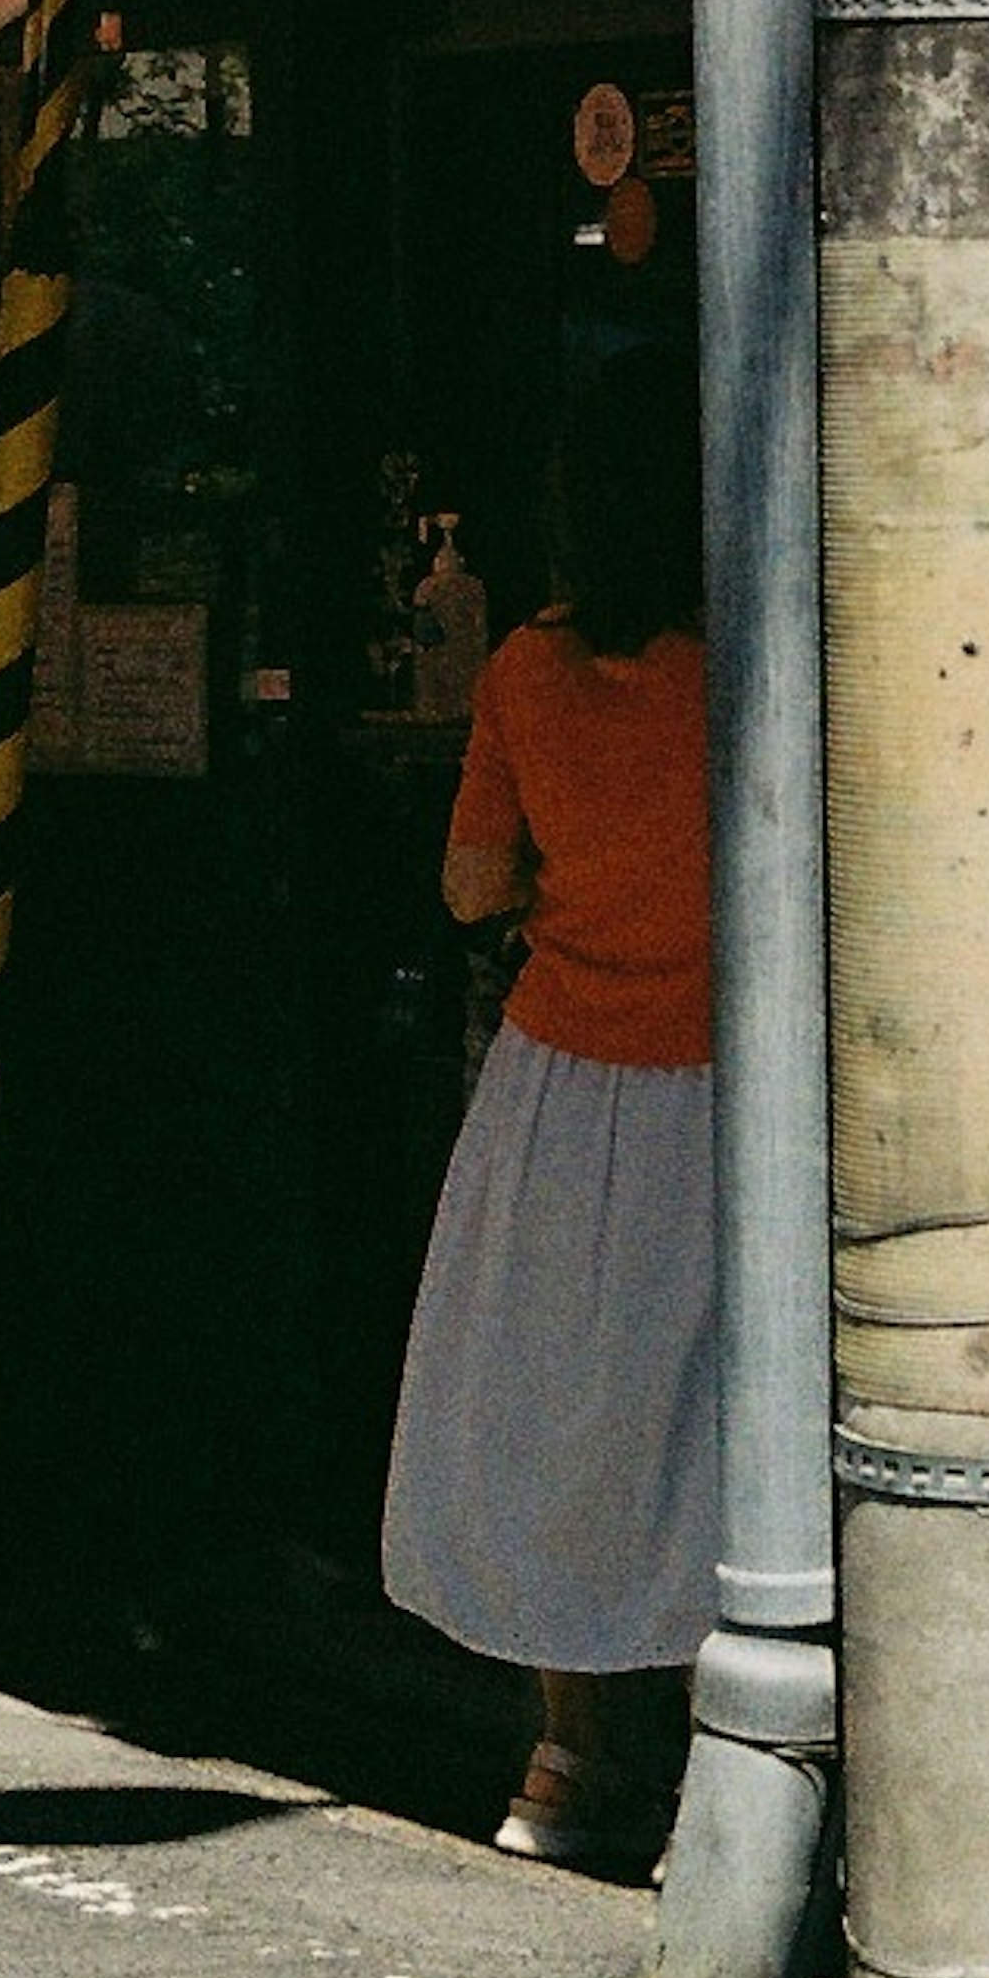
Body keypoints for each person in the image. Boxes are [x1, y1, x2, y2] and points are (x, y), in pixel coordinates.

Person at [382, 353, 716, 1868]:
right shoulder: (764, 664)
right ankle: (737, 1760)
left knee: (554, 1414)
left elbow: (467, 888)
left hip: (559, 1086)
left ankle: (565, 1759)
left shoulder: (524, 668)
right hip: (731, 1097)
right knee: (712, 1421)